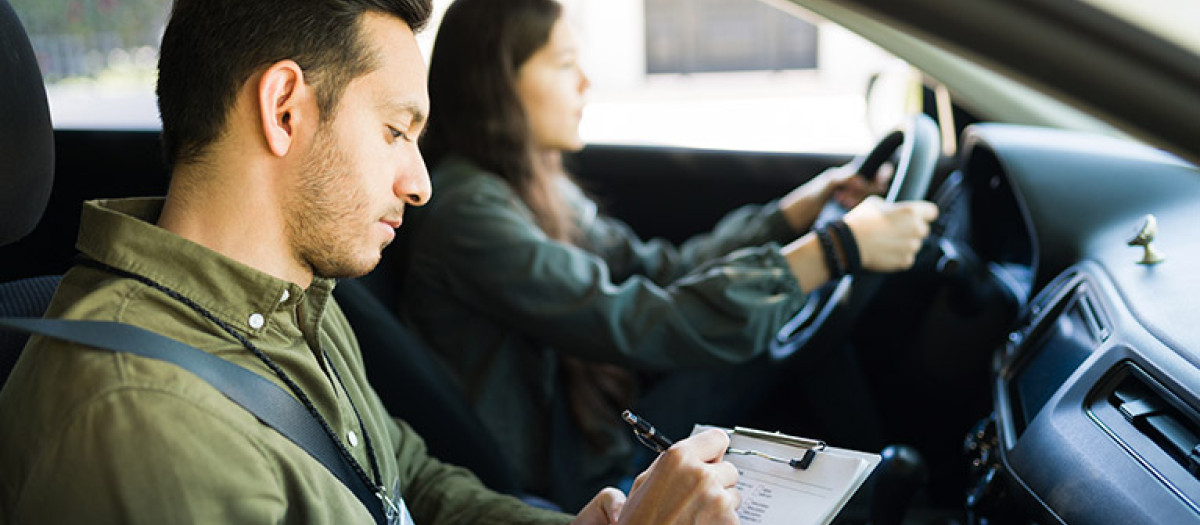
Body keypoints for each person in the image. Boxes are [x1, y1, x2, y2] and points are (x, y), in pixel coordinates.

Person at [0, 0, 744, 523]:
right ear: (285, 108)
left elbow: (404, 484)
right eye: (396, 131)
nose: (419, 183)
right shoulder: (139, 420)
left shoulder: (294, 302)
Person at [397, 0, 940, 510]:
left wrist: (794, 215)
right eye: (564, 65)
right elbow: (637, 319)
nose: (586, 82)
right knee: (772, 340)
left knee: (776, 331)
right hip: (574, 473)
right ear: (498, 83)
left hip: (599, 427)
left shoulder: (535, 184)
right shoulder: (469, 214)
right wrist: (834, 250)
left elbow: (663, 271)